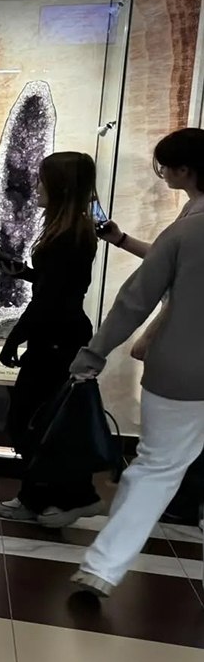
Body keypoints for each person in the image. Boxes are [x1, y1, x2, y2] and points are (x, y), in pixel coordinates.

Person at [68, 204, 204, 597]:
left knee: (155, 469)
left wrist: (95, 352)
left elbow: (135, 300)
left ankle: (101, 568)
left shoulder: (185, 232)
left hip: (180, 368)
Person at [98, 127, 204, 526]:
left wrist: (149, 334)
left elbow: (173, 289)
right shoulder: (192, 212)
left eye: (165, 167)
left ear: (185, 169)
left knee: (176, 438)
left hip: (185, 343)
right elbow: (166, 263)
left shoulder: (197, 217)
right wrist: (122, 240)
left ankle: (181, 502)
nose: (162, 174)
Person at [0, 151, 102, 529]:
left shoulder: (66, 236)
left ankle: (60, 496)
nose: (37, 186)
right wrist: (25, 273)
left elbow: (50, 299)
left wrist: (14, 338)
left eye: (43, 179)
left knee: (32, 418)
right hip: (60, 333)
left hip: (57, 337)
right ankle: (43, 496)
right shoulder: (73, 231)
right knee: (41, 417)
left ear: (60, 186)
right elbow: (57, 286)